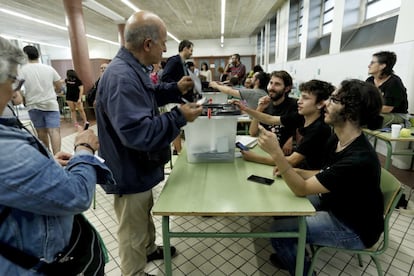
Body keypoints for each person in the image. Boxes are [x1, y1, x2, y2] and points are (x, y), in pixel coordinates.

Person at [95, 11, 203, 276]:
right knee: (131, 227)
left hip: (139, 166)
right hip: (128, 168)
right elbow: (137, 133)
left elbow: (148, 96)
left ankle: (149, 247)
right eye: (163, 42)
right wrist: (179, 116)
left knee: (144, 212)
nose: (166, 48)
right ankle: (134, 271)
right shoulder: (122, 77)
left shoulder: (133, 69)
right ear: (147, 44)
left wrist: (175, 88)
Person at [0, 36, 114, 275]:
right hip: (33, 263)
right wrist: (85, 149)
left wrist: (44, 165)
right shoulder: (5, 148)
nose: (14, 92)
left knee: (44, 133)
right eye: (13, 81)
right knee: (53, 132)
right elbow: (75, 195)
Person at [258, 79, 384, 276]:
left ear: (349, 112)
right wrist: (296, 172)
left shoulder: (358, 158)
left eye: (333, 100)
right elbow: (326, 173)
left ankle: (304, 269)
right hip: (335, 204)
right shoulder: (338, 138)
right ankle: (294, 254)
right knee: (282, 204)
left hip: (352, 228)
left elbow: (302, 189)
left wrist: (277, 155)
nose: (325, 103)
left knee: (280, 231)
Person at [234, 79, 334, 170]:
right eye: (300, 97)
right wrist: (245, 109)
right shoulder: (301, 116)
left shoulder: (319, 129)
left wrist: (254, 157)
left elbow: (292, 161)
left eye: (305, 98)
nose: (299, 101)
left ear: (320, 104)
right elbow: (270, 119)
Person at [19, 45, 62, 154]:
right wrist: (55, 91)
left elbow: (17, 89)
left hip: (33, 105)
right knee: (54, 131)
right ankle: (58, 156)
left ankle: (47, 157)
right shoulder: (48, 68)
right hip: (51, 104)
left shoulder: (22, 70)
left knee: (41, 132)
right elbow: (59, 85)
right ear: (38, 55)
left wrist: (24, 99)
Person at [249, 70, 298, 156]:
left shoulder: (295, 105)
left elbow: (302, 128)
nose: (272, 87)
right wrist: (259, 108)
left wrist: (292, 138)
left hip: (286, 154)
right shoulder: (265, 105)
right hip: (267, 151)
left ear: (287, 88)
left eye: (277, 84)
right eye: (271, 83)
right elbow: (253, 132)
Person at [161, 39, 194, 155]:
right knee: (175, 126)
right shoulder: (174, 60)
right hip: (173, 98)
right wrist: (178, 85)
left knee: (179, 125)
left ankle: (179, 150)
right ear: (184, 48)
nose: (192, 52)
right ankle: (179, 152)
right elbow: (164, 78)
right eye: (191, 49)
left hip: (179, 99)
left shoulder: (183, 63)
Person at [366, 51, 409, 127]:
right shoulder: (369, 81)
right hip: (376, 113)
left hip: (397, 115)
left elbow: (387, 108)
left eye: (372, 63)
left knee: (366, 120)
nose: (369, 66)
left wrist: (365, 110)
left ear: (382, 66)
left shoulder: (394, 82)